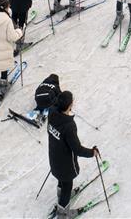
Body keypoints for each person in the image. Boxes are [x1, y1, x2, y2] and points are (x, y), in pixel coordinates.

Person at [48, 90, 99, 218]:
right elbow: (77, 149)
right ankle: (63, 213)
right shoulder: (69, 126)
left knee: (62, 181)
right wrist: (92, 152)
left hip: (54, 159)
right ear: (70, 105)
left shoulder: (52, 114)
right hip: (65, 165)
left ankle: (61, 197)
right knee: (67, 185)